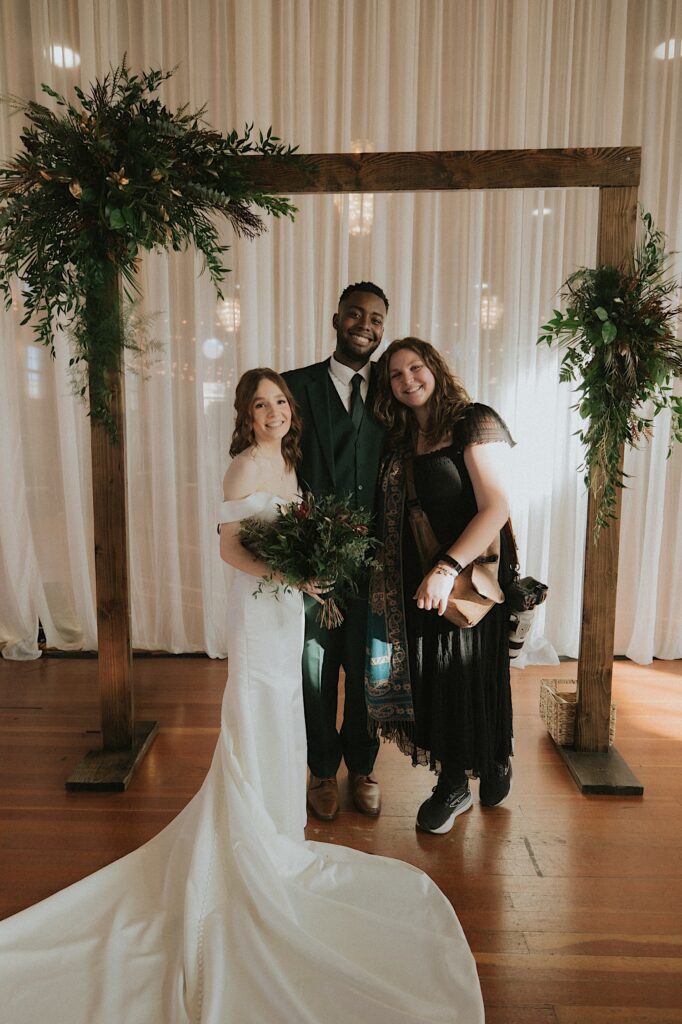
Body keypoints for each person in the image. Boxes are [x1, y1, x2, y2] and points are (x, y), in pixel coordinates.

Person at [0, 367, 486, 1023]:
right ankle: (248, 837)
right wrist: (296, 572)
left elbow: (288, 538)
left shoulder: (285, 466)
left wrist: (307, 580)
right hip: (257, 614)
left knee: (285, 712)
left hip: (285, 608)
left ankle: (277, 831)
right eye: (261, 405)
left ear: (291, 411)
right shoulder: (241, 468)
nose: (274, 412)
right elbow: (230, 550)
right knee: (256, 709)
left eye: (280, 402)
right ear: (245, 414)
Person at [368, 338, 515, 835]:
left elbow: (496, 506)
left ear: (434, 367)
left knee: (472, 671)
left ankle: (478, 768)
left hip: (467, 572)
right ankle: (460, 775)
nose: (408, 379)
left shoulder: (472, 421)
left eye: (416, 367)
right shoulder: (401, 439)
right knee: (438, 676)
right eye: (395, 375)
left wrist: (448, 566)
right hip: (420, 581)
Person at [282, 282, 388, 821]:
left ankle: (363, 766)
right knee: (316, 669)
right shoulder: (295, 387)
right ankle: (322, 769)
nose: (364, 325)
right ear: (336, 319)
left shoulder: (391, 392)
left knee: (370, 667)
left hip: (374, 565)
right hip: (314, 565)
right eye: (354, 314)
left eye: (374, 318)